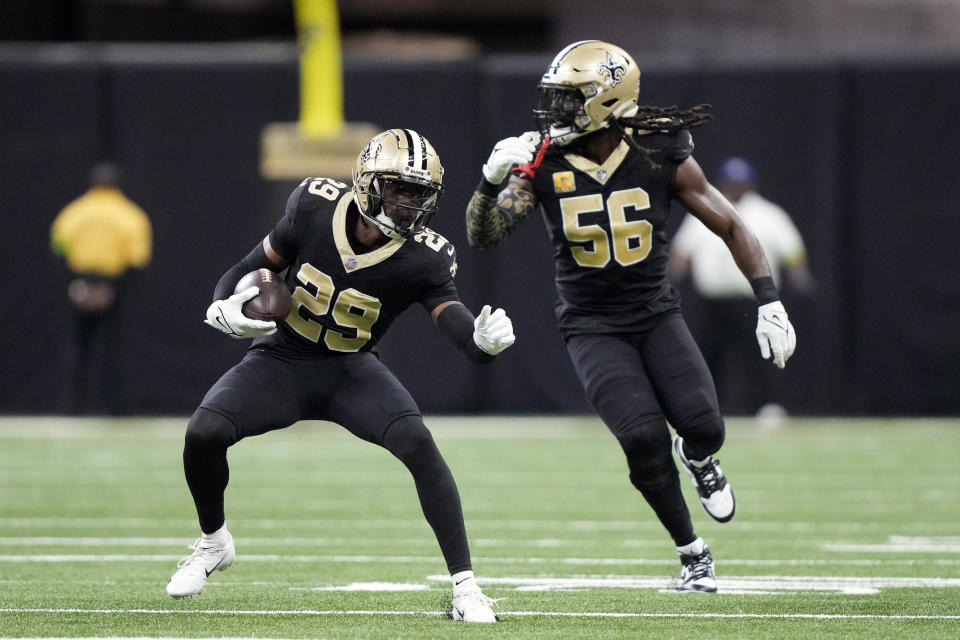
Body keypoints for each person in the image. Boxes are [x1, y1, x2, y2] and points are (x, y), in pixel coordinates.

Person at [465, 41, 796, 592]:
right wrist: (488, 179)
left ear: (606, 101)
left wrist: (770, 300)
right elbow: (485, 234)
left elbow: (732, 224)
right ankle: (693, 555)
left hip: (656, 313)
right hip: (591, 323)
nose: (555, 112)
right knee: (641, 437)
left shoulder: (657, 148)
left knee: (705, 427)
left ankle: (698, 458)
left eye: (569, 99)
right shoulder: (542, 158)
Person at [165, 129, 513, 623]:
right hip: (283, 358)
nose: (409, 205)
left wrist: (481, 342)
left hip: (352, 370)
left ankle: (466, 588)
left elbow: (456, 323)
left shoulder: (425, 255)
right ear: (368, 183)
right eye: (399, 190)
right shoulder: (313, 206)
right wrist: (224, 305)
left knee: (418, 444)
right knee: (203, 433)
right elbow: (246, 268)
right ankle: (212, 543)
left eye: (420, 194)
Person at [671, 157, 815, 417]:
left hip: (750, 299)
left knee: (759, 354)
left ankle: (766, 406)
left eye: (740, 183)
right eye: (731, 183)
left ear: (750, 184)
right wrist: (674, 273)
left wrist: (799, 276)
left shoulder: (769, 214)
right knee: (707, 355)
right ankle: (709, 408)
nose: (735, 188)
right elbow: (684, 249)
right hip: (713, 302)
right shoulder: (706, 207)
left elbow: (792, 249)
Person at [50, 162, 152, 415]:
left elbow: (57, 246)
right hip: (114, 286)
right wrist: (112, 289)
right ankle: (113, 408)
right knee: (114, 348)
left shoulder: (75, 211)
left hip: (80, 284)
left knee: (78, 347)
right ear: (118, 184)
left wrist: (75, 282)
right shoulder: (130, 214)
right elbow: (138, 258)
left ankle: (73, 406)